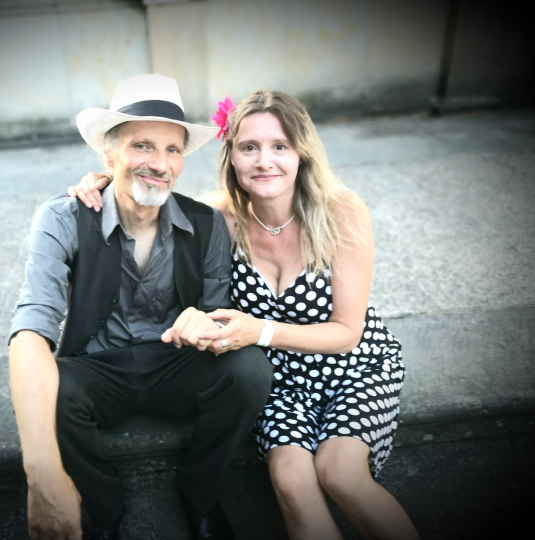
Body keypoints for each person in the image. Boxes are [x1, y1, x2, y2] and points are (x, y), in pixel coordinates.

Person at [70, 90, 420, 540]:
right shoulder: (219, 216)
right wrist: (101, 183)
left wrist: (260, 331)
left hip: (352, 368)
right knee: (292, 482)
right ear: (231, 156)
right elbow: (147, 197)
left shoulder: (341, 212)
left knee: (341, 474)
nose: (264, 161)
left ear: (301, 153)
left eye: (280, 146)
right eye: (249, 147)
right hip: (276, 384)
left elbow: (348, 332)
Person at [8, 74, 273, 540]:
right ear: (108, 154)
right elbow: (31, 326)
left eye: (172, 150)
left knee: (250, 370)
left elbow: (219, 315)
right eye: (142, 146)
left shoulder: (206, 223)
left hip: (176, 364)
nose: (160, 163)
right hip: (97, 367)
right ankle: (103, 509)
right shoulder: (63, 217)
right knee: (51, 388)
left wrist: (206, 325)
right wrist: (41, 472)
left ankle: (200, 496)